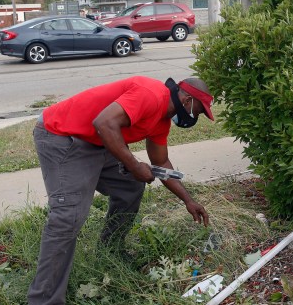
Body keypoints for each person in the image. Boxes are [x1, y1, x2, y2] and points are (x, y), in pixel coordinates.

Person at [27, 75, 214, 305]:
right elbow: (103, 123)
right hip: (62, 136)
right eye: (199, 111)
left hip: (96, 142)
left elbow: (161, 163)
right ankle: (43, 300)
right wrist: (134, 165)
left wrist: (188, 200)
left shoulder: (161, 121)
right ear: (187, 100)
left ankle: (110, 251)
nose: (197, 117)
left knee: (130, 186)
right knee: (68, 216)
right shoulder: (152, 95)